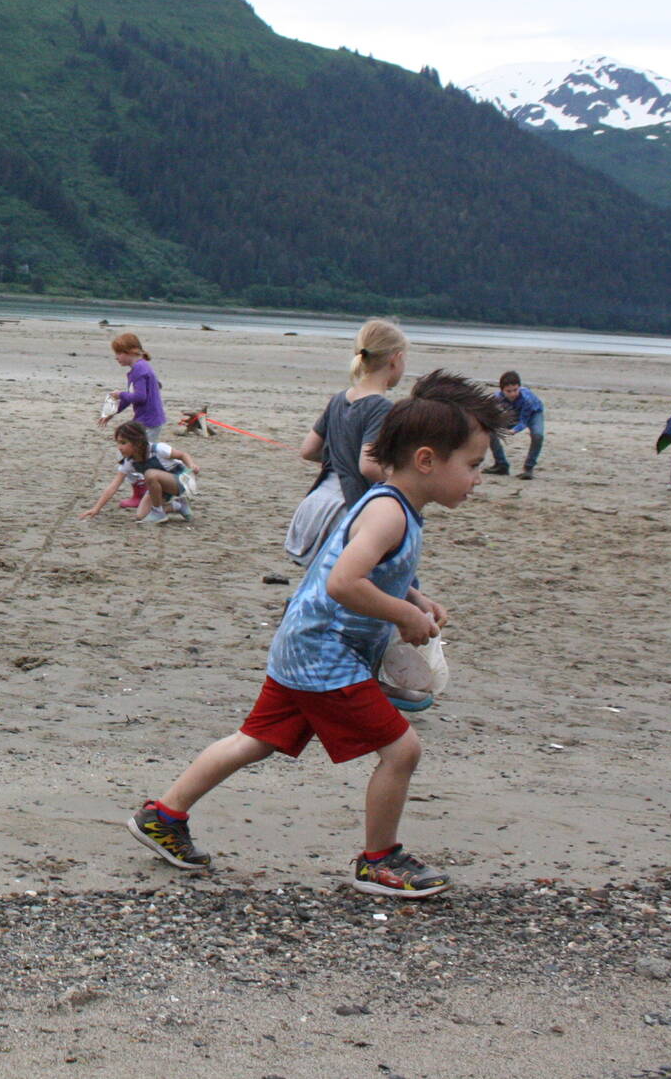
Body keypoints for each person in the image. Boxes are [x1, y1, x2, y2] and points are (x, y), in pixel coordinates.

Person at [126, 371, 508, 897]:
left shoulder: (392, 505)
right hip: (324, 654)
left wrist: (414, 598)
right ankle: (379, 860)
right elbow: (344, 581)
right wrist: (402, 615)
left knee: (254, 741)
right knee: (402, 751)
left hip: (302, 646)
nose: (477, 479)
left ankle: (163, 816)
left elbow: (370, 570)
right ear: (426, 460)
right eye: (472, 466)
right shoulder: (388, 513)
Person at [285, 318, 406, 565]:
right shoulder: (380, 407)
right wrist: (401, 483)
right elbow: (369, 466)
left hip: (317, 503)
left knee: (317, 588)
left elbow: (308, 450)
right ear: (395, 359)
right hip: (344, 510)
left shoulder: (340, 399)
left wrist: (342, 453)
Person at [79, 421, 195, 525]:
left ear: (137, 442)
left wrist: (191, 466)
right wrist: (96, 508)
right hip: (159, 488)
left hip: (181, 481)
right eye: (118, 443)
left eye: (123, 443)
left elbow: (183, 455)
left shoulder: (158, 449)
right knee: (141, 516)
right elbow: (113, 486)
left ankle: (158, 512)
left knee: (150, 474)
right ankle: (179, 506)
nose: (119, 447)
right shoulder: (129, 462)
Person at [98, 334, 166, 506]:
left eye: (119, 353)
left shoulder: (140, 370)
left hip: (149, 420)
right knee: (133, 456)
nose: (117, 357)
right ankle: (144, 491)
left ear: (130, 352)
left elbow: (140, 397)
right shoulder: (139, 369)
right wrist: (112, 412)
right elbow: (131, 398)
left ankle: (142, 493)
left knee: (129, 456)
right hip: (147, 419)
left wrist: (120, 394)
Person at [485, 371, 545, 479]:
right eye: (508, 391)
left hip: (533, 413)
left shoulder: (527, 399)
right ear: (502, 390)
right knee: (490, 431)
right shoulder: (496, 399)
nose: (513, 394)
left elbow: (524, 420)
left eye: (515, 390)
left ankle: (528, 468)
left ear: (520, 387)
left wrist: (514, 430)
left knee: (538, 435)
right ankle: (501, 464)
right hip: (513, 412)